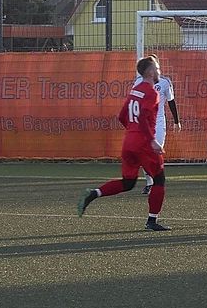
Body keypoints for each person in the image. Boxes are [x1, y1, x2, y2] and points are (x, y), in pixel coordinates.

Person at [77, 56, 170, 231]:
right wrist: (152, 140)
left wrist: (132, 132)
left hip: (129, 142)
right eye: (157, 68)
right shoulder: (151, 92)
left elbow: (121, 116)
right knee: (159, 179)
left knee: (128, 183)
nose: (159, 71)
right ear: (150, 72)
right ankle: (151, 221)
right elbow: (142, 117)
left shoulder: (135, 91)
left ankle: (93, 193)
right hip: (144, 143)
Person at [133, 54, 181, 194]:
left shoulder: (165, 82)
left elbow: (171, 101)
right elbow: (134, 102)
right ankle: (149, 183)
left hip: (159, 123)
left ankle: (157, 183)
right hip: (143, 125)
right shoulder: (138, 82)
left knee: (155, 153)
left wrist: (177, 121)